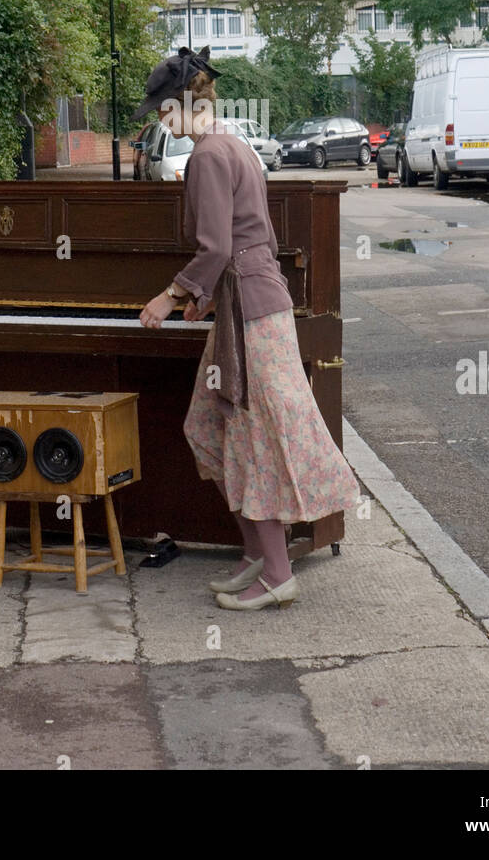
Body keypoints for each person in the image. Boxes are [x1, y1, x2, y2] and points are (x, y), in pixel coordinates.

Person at [135, 47, 360, 612]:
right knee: (214, 425)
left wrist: (169, 297)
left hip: (252, 314)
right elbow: (234, 242)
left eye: (163, 114)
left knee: (252, 435)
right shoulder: (233, 146)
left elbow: (214, 247)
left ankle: (278, 570)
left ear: (185, 106)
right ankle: (260, 554)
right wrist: (203, 296)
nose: (159, 124)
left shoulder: (209, 157)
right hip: (250, 305)